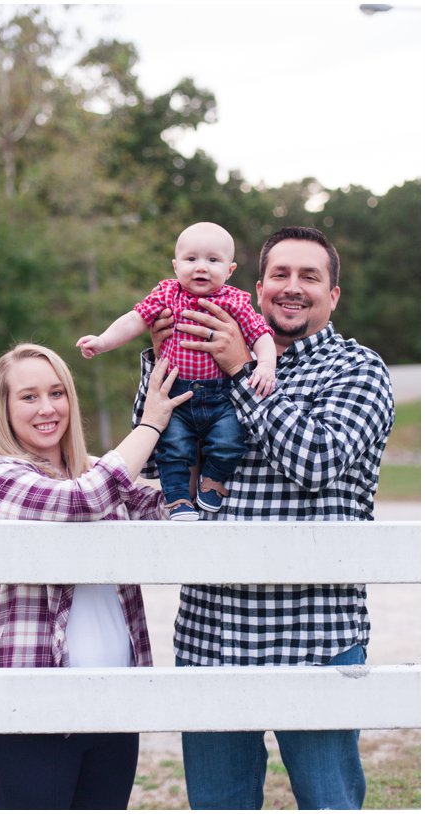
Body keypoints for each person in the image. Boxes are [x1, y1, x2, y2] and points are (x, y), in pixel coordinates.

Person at [134, 225, 395, 809]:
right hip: (213, 636)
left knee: (330, 803)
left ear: (333, 294)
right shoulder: (205, 353)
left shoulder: (357, 369)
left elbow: (317, 460)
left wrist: (238, 375)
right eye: (281, 274)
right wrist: (162, 355)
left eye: (310, 276)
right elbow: (152, 457)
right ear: (255, 288)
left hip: (318, 639)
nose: (293, 287)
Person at [0, 343, 192, 810]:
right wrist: (149, 425)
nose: (47, 408)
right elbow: (78, 504)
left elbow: (169, 513)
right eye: (28, 397)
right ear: (4, 409)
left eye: (56, 393)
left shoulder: (99, 474)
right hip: (31, 710)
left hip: (112, 708)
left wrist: (205, 436)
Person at [77, 221, 276, 520]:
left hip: (220, 397)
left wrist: (266, 364)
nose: (201, 268)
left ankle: (212, 482)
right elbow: (135, 319)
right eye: (191, 259)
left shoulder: (234, 301)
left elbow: (260, 334)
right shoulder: (167, 294)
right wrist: (103, 341)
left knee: (230, 441)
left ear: (230, 270)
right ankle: (177, 499)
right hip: (176, 394)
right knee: (173, 450)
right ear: (175, 265)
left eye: (213, 260)